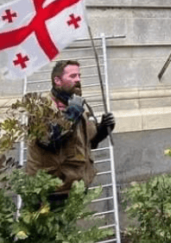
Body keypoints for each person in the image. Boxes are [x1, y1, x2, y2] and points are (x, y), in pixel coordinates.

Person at [26, 60, 115, 202]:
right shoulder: (41, 106)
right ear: (57, 81)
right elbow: (49, 140)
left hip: (75, 187)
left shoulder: (75, 104)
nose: (78, 80)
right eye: (72, 76)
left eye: (79, 76)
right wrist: (72, 114)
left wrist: (103, 129)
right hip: (49, 192)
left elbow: (90, 141)